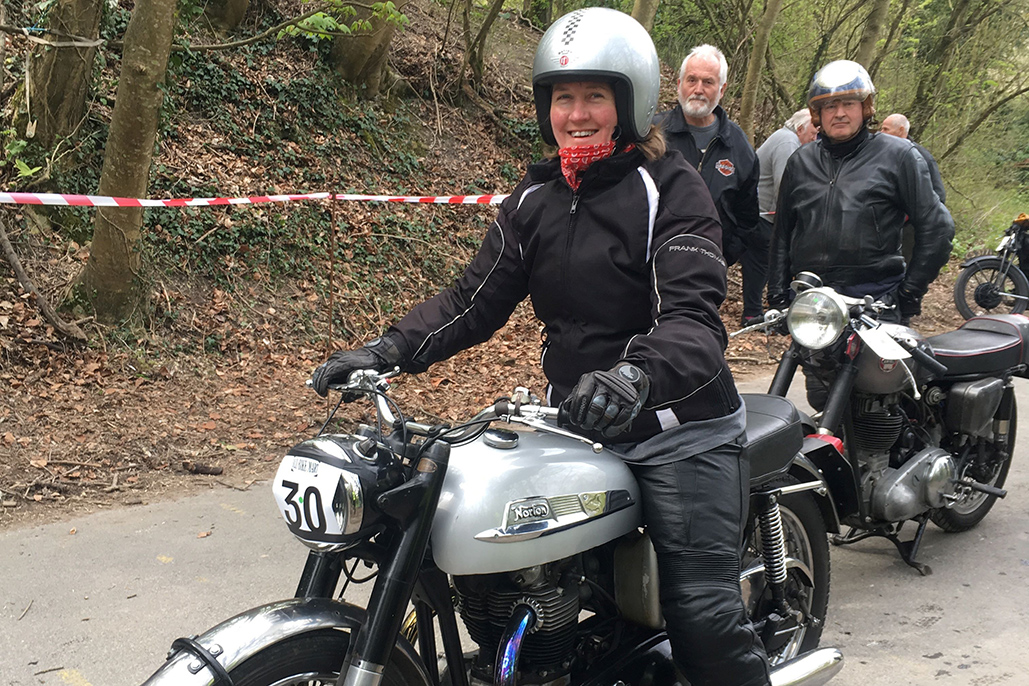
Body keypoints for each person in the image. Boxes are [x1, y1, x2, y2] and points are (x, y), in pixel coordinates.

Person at [311, 8, 771, 686]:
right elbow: (471, 302)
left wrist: (633, 378)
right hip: (573, 423)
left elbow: (693, 323)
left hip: (677, 426)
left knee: (701, 612)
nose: (576, 114)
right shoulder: (535, 195)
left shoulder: (673, 189)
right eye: (562, 97)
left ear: (631, 101)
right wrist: (385, 350)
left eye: (593, 96)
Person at [767, 60, 954, 406]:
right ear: (816, 113)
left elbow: (938, 227)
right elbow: (783, 233)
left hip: (877, 302)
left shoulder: (899, 156)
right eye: (829, 105)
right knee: (823, 399)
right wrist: (778, 295)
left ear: (865, 108)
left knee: (883, 403)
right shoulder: (800, 162)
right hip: (818, 307)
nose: (839, 113)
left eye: (848, 103)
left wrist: (909, 292)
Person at [653, 45, 763, 326]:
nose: (698, 89)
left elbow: (747, 215)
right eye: (691, 80)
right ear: (679, 84)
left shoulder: (739, 146)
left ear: (722, 89)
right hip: (649, 268)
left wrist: (724, 254)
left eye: (708, 82)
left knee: (692, 342)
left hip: (706, 274)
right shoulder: (652, 135)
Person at [756, 109, 817, 235]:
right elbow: (784, 187)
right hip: (763, 219)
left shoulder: (784, 137)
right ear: (800, 129)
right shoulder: (787, 143)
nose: (814, 139)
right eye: (813, 134)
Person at [880, 113, 946, 204]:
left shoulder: (922, 157)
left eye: (886, 129)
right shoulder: (879, 153)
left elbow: (938, 196)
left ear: (901, 130)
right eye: (881, 129)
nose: (881, 133)